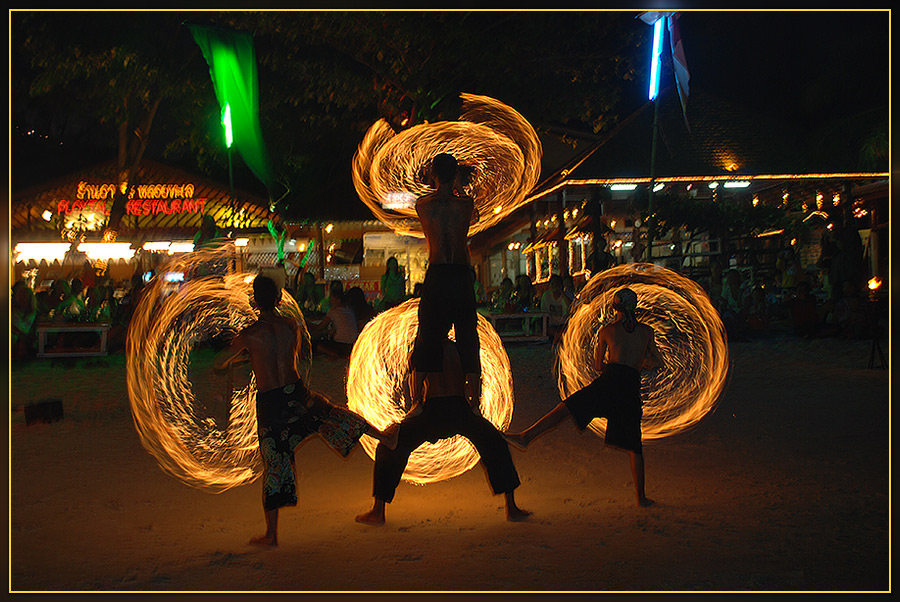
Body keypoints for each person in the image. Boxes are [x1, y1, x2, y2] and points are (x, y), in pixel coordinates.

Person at [214, 275, 397, 547]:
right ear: (278, 299)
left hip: (272, 405)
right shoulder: (292, 326)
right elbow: (291, 356)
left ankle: (271, 534)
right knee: (331, 415)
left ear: (254, 300)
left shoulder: (249, 335)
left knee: (275, 463)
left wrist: (239, 354)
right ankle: (384, 436)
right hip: (296, 395)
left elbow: (219, 363)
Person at [504, 288, 663, 508]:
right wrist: (640, 363)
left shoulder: (607, 331)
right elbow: (658, 361)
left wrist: (613, 362)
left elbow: (598, 366)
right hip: (629, 385)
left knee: (567, 408)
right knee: (635, 445)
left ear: (614, 307)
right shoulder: (646, 331)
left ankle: (526, 437)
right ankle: (642, 497)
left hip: (609, 381)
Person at [355, 337, 529, 525]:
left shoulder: (423, 348)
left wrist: (416, 405)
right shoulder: (461, 347)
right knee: (495, 444)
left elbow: (417, 378)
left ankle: (378, 511)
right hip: (459, 408)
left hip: (433, 410)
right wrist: (474, 405)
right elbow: (474, 375)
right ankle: (512, 508)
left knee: (390, 445)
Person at [410, 153, 481, 407]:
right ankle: (474, 404)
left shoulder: (423, 204)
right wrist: (459, 185)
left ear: (432, 174)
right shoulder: (466, 204)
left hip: (438, 273)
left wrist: (445, 181)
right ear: (456, 174)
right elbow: (476, 216)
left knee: (428, 333)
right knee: (467, 334)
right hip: (461, 274)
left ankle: (416, 401)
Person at [310, 284, 359, 358]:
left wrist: (308, 323)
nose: (330, 301)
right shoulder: (349, 309)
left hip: (341, 343)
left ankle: (332, 353)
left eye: (332, 299)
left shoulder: (333, 311)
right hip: (353, 344)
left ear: (338, 300)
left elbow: (320, 327)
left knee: (316, 345)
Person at [540, 274, 570, 343]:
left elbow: (569, 309)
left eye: (557, 284)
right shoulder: (546, 296)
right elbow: (544, 313)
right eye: (553, 284)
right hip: (551, 325)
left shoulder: (566, 296)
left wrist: (562, 294)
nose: (555, 286)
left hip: (563, 324)